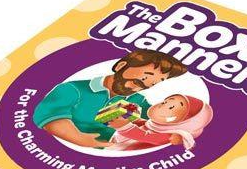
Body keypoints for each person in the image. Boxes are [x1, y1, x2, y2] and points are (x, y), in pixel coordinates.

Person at [32, 49, 187, 148]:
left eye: (154, 83)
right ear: (121, 66)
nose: (145, 85)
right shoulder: (73, 89)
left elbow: (156, 119)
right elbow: (49, 116)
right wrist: (79, 139)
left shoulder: (138, 100)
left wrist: (177, 130)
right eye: (145, 77)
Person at [106, 94, 213, 151]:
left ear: (187, 122)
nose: (163, 105)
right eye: (165, 102)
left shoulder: (171, 136)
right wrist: (131, 118)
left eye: (171, 107)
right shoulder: (154, 125)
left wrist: (124, 126)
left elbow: (145, 136)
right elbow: (146, 125)